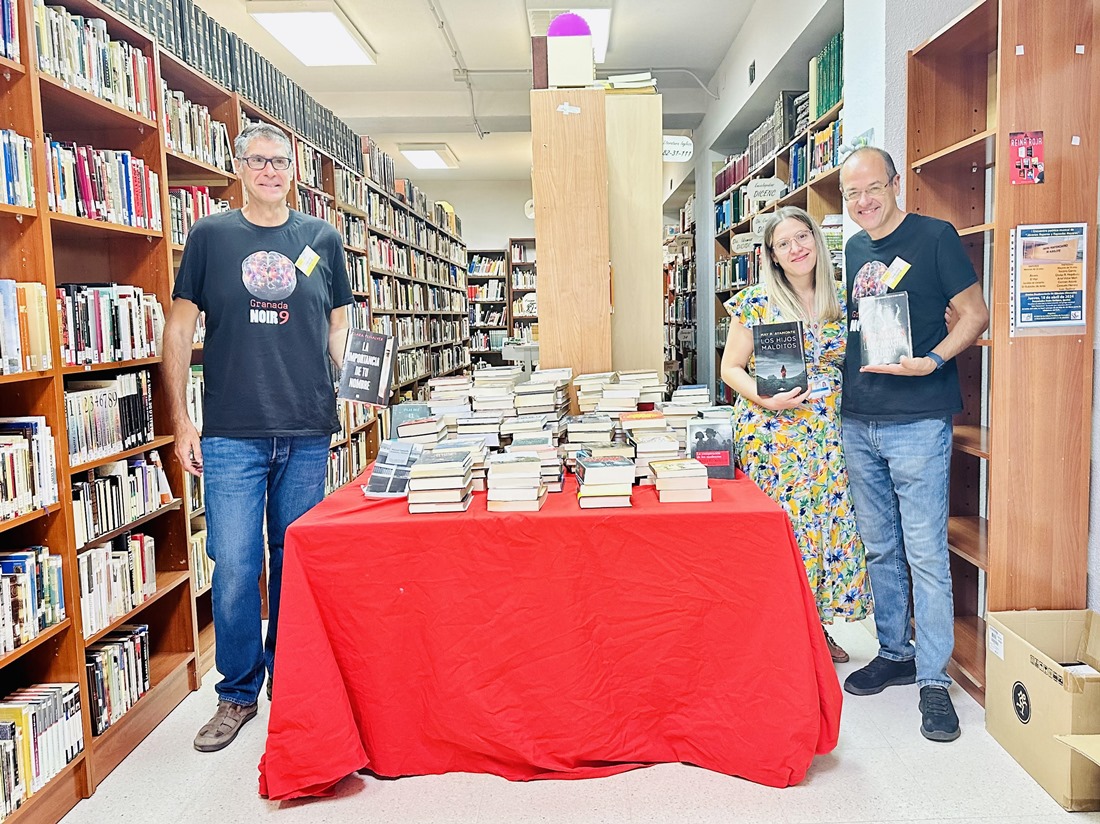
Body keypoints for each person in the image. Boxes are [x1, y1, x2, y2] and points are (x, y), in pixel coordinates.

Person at [163, 122, 353, 752]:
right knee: (238, 566)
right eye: (258, 160)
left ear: (294, 168)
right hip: (231, 434)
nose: (271, 170)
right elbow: (178, 329)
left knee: (294, 561)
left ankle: (293, 677)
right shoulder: (211, 237)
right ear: (238, 166)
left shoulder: (321, 238)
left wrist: (358, 388)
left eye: (281, 161)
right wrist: (181, 421)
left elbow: (338, 329)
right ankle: (237, 692)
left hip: (305, 428)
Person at [837, 146, 989, 743]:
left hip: (919, 418)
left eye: (872, 188)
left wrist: (932, 361)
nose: (862, 202)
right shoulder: (851, 249)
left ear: (896, 184)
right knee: (880, 548)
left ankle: (933, 680)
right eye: (851, 194)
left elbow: (974, 314)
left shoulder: (935, 236)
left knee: (925, 551)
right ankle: (896, 653)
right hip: (859, 419)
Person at [721, 206, 871, 663]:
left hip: (826, 434)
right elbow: (730, 369)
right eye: (784, 243)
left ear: (817, 242)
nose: (796, 248)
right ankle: (777, 631)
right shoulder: (756, 302)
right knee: (785, 531)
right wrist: (765, 399)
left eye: (802, 237)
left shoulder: (844, 300)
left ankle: (815, 629)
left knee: (824, 528)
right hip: (773, 435)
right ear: (772, 255)